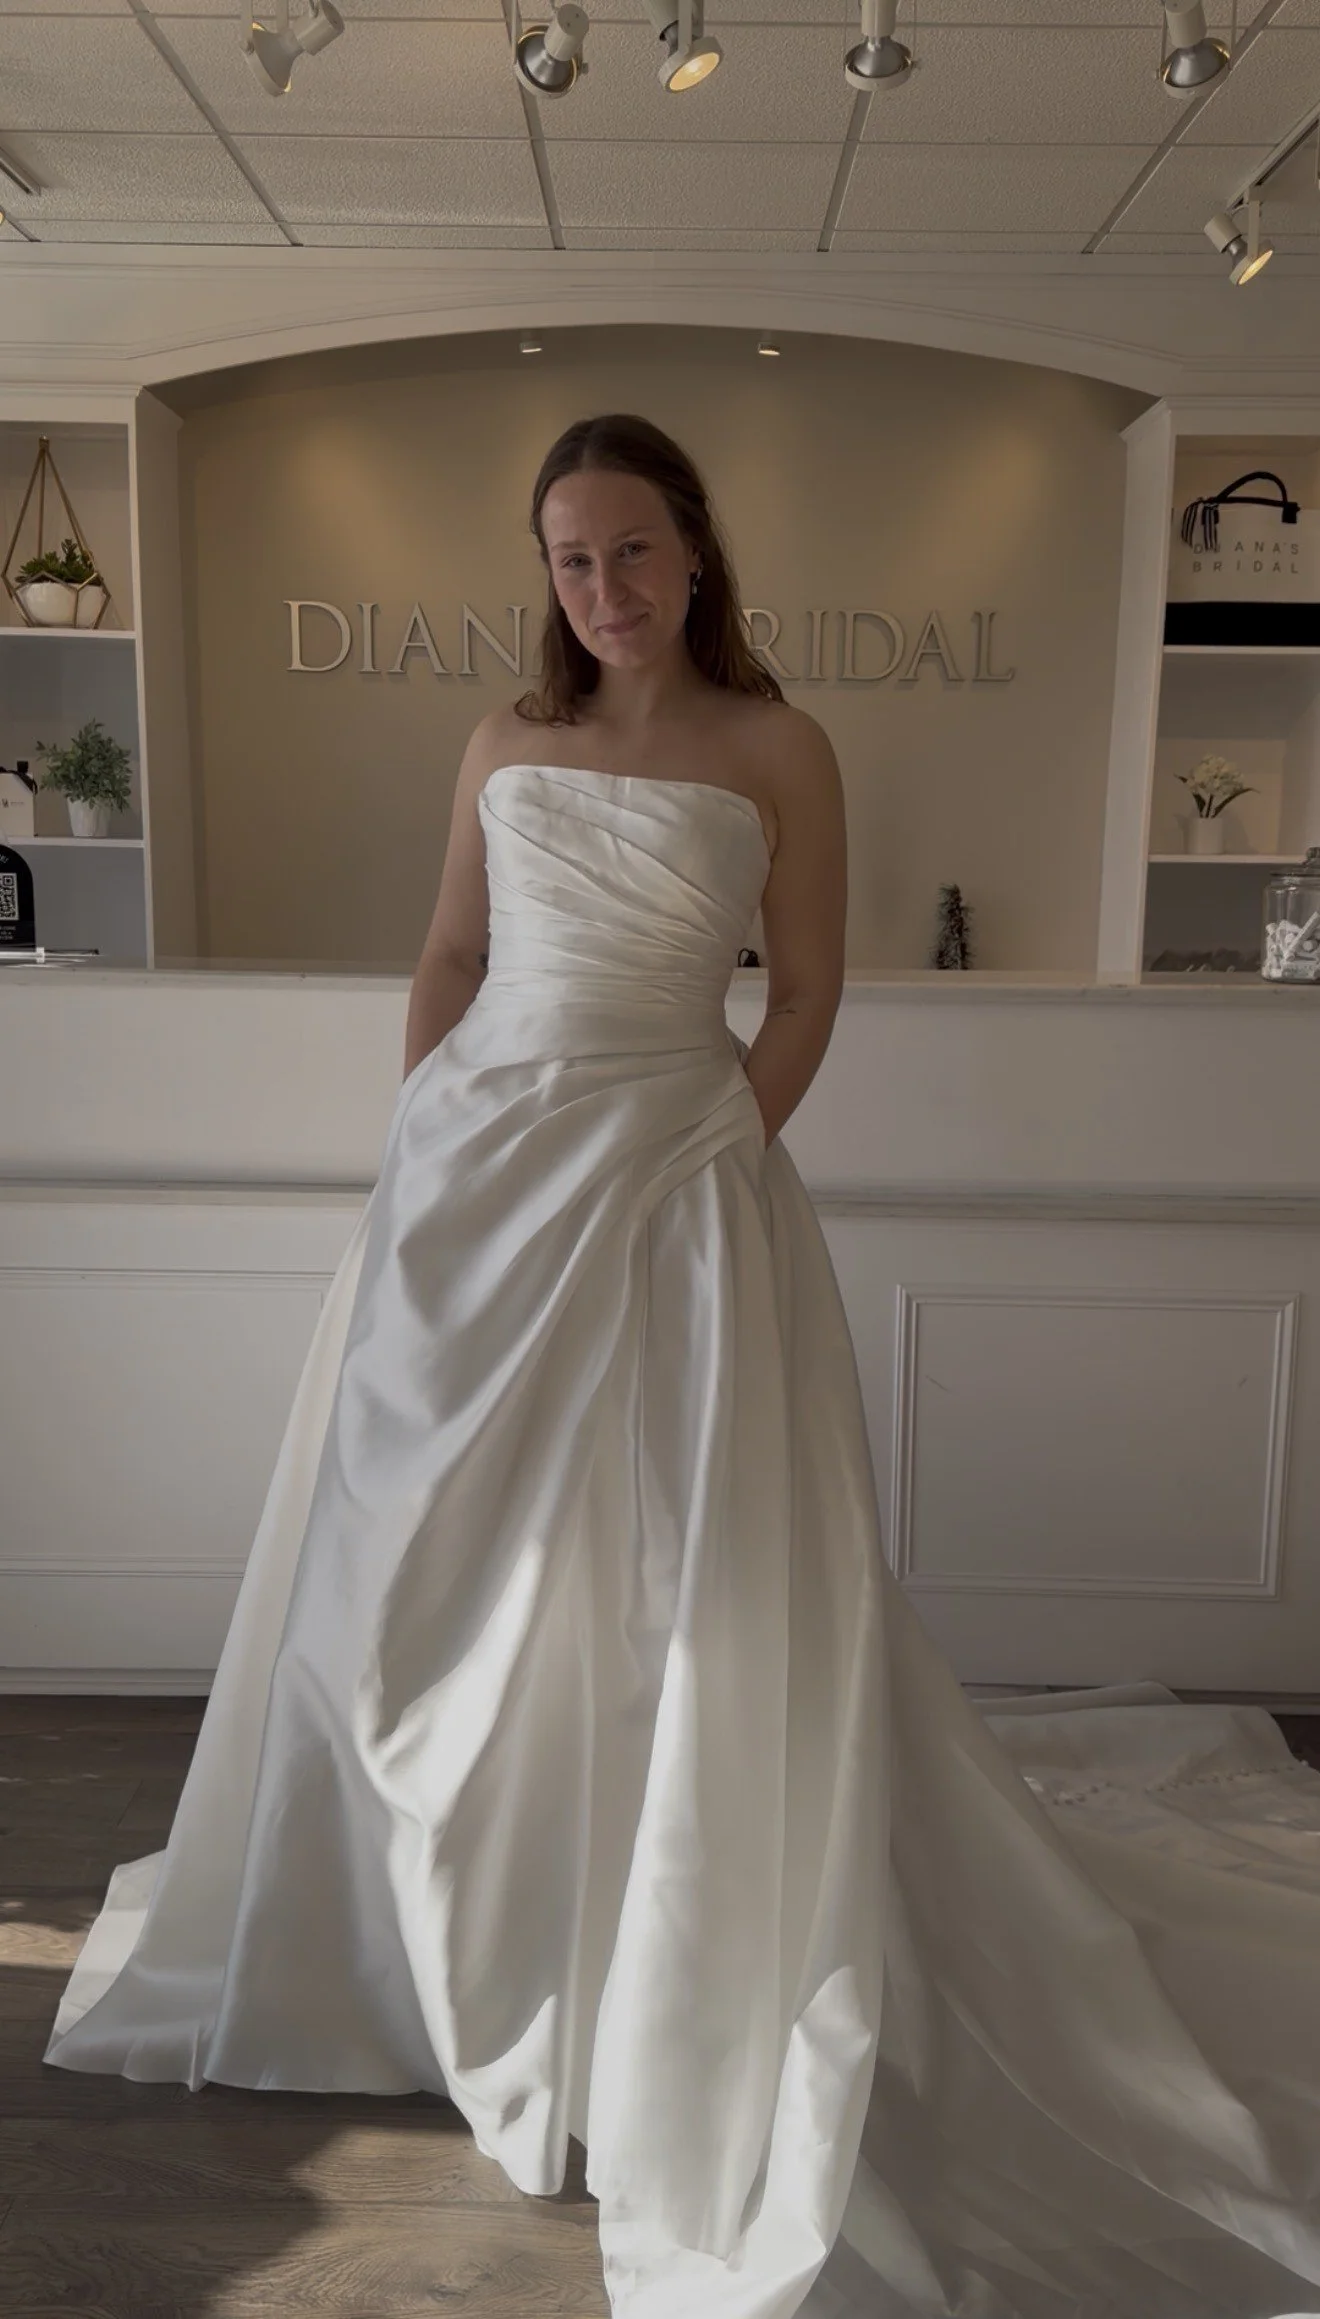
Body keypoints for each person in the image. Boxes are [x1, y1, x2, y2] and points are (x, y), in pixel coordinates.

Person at [44, 413, 1320, 2319]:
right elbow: (450, 956)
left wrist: (729, 1137)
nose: (603, 590)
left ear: (696, 551)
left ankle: (658, 1940)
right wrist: (424, 1149)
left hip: (682, 1175)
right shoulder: (504, 741)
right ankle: (403, 1944)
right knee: (423, 1577)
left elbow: (804, 989)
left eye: (632, 551)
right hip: (474, 1189)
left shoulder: (779, 745)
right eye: (569, 559)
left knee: (678, 1579)